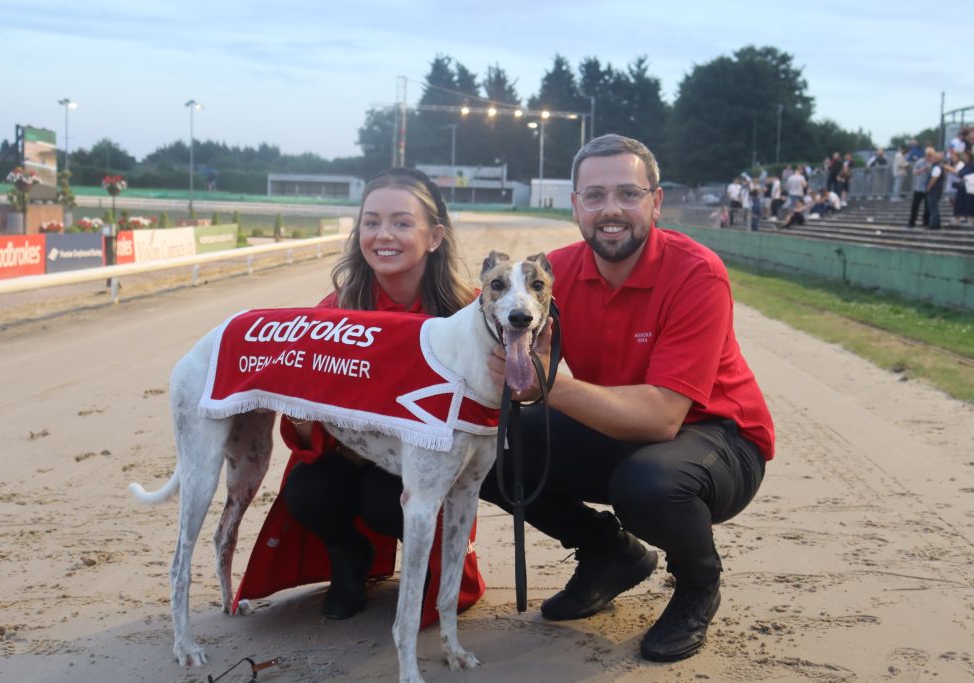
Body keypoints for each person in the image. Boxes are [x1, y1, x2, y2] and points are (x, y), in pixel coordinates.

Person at [481, 134, 774, 663]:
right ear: (574, 205)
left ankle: (696, 585)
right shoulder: (554, 274)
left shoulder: (696, 272)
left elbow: (663, 418)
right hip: (620, 426)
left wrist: (551, 384)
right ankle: (607, 552)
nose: (610, 210)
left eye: (627, 193)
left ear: (655, 202)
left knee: (648, 483)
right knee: (489, 452)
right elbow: (481, 313)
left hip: (718, 438)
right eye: (593, 196)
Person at [234, 167, 485, 627]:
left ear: (435, 236)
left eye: (402, 222)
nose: (382, 235)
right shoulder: (332, 313)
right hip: (349, 458)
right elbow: (303, 431)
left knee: (384, 497)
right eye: (371, 222)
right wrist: (295, 400)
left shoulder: (469, 311)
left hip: (427, 466)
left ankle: (425, 568)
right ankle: (348, 557)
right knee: (306, 491)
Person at [925, 152, 945, 230]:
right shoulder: (937, 167)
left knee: (933, 207)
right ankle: (935, 223)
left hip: (934, 190)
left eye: (933, 157)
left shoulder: (937, 167)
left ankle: (935, 224)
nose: (931, 159)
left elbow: (934, 179)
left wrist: (928, 187)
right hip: (937, 190)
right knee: (933, 207)